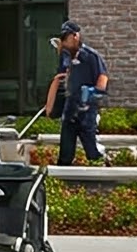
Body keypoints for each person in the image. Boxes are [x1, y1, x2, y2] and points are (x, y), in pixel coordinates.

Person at [46, 20, 110, 165]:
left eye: (66, 38)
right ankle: (63, 175)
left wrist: (92, 91)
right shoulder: (66, 57)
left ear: (75, 36)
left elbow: (103, 79)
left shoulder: (90, 56)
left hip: (86, 108)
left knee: (91, 148)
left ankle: (102, 164)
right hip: (70, 106)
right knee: (65, 151)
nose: (64, 42)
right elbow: (61, 76)